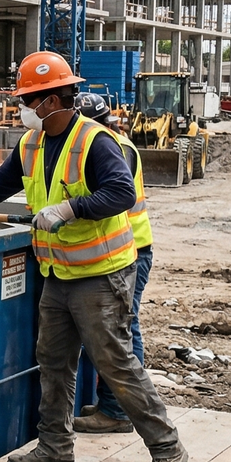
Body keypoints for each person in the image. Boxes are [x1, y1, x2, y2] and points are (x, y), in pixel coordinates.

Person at [0, 52, 186, 462]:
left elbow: (119, 192)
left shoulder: (95, 142)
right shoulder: (31, 144)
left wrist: (70, 208)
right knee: (53, 363)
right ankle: (55, 445)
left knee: (115, 364)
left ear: (54, 100)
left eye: (29, 100)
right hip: (58, 273)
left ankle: (167, 448)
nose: (23, 107)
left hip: (101, 274)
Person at [70, 93, 155, 435]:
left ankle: (118, 410)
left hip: (128, 251)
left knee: (122, 329)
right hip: (124, 249)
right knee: (113, 328)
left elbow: (112, 195)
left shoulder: (113, 148)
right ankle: (110, 402)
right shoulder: (115, 143)